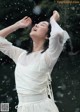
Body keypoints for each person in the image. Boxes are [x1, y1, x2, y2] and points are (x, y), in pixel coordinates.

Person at [0, 10, 70, 112]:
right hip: (23, 107)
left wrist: (53, 18)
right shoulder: (20, 55)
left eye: (42, 25)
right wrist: (17, 25)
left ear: (47, 36)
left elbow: (58, 33)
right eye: (37, 24)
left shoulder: (49, 55)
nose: (36, 25)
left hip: (42, 108)